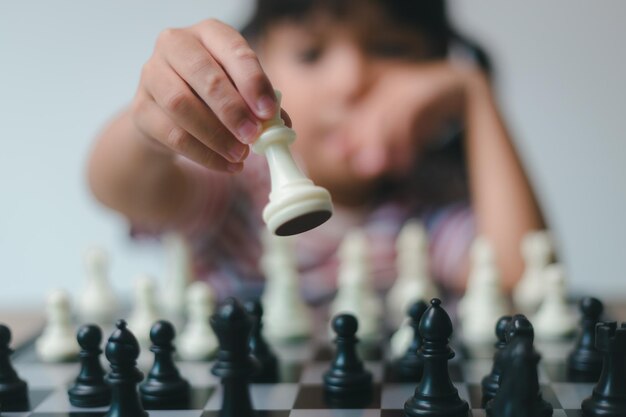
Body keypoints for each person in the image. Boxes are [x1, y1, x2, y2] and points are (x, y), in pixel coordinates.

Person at [87, 0, 544, 302]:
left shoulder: (425, 204)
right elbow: (121, 188)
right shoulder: (234, 178)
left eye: (391, 48)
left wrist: (473, 91)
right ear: (259, 66)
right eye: (310, 54)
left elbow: (523, 277)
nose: (351, 81)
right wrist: (148, 126)